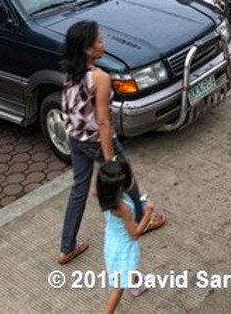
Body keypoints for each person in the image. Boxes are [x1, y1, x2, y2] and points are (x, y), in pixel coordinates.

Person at [58, 20, 165, 266]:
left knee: (78, 189)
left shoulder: (70, 74)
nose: (103, 43)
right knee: (126, 178)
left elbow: (70, 108)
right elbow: (104, 122)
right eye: (99, 40)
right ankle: (141, 219)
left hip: (76, 138)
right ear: (87, 49)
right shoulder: (100, 77)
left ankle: (67, 247)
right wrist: (109, 162)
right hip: (98, 139)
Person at [97, 158, 154, 312]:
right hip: (123, 248)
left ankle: (137, 285)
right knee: (119, 286)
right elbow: (134, 234)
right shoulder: (124, 208)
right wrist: (147, 214)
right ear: (121, 186)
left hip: (111, 242)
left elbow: (95, 191)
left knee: (128, 270)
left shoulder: (104, 196)